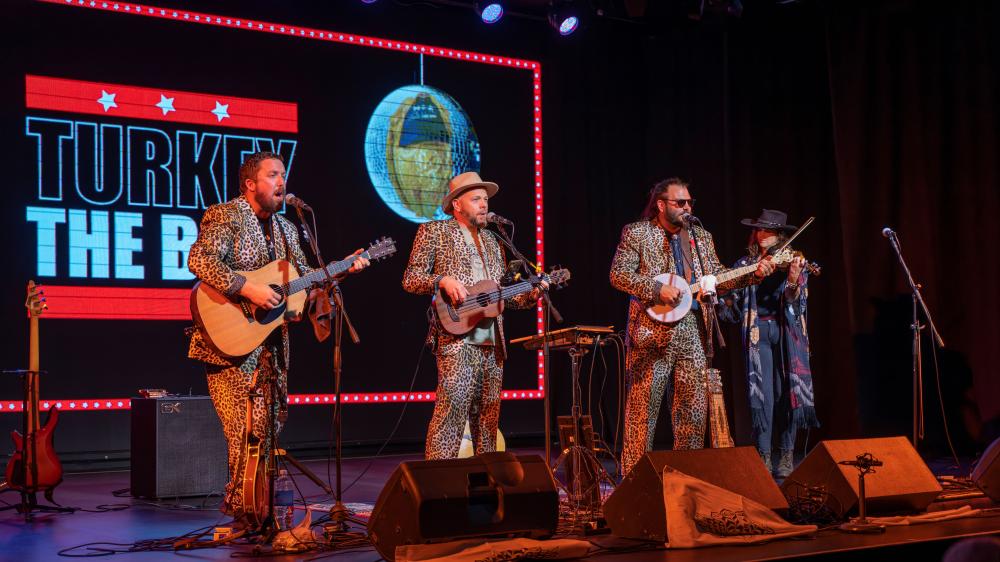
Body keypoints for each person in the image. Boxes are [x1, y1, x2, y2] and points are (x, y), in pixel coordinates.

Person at [187, 151, 368, 521]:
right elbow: (200, 260)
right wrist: (248, 289)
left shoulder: (287, 228)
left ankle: (259, 510)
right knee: (243, 431)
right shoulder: (226, 214)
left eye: (283, 174)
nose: (281, 182)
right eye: (272, 175)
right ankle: (243, 512)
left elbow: (305, 280)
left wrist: (343, 268)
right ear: (251, 183)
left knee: (270, 427)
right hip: (229, 343)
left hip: (272, 343)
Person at [610, 178, 775, 476]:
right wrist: (654, 289)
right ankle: (632, 487)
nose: (687, 207)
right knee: (642, 416)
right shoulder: (637, 233)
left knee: (692, 414)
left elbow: (719, 277)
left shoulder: (700, 236)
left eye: (689, 202)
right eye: (680, 202)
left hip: (693, 331)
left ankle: (685, 483)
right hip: (651, 334)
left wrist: (754, 274)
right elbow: (618, 275)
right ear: (661, 205)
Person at [402, 171, 546, 460]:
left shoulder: (494, 241)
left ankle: (485, 485)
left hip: (493, 344)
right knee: (450, 416)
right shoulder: (435, 232)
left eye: (486, 199)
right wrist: (442, 279)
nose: (484, 205)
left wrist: (532, 293)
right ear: (457, 204)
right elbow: (410, 278)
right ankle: (438, 484)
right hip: (457, 340)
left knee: (488, 422)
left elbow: (501, 297)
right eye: (476, 199)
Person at [718, 209, 818, 478]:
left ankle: (786, 456)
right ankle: (763, 457)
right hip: (757, 332)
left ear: (781, 236)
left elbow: (797, 301)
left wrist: (795, 279)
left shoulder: (792, 260)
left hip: (787, 332)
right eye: (760, 230)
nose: (763, 235)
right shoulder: (745, 264)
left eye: (770, 231)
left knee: (788, 393)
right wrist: (749, 279)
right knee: (763, 396)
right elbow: (729, 301)